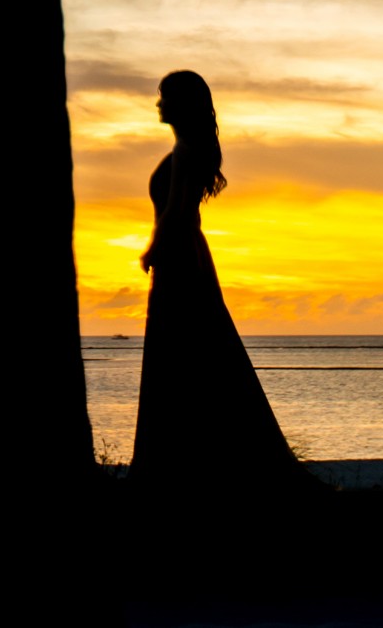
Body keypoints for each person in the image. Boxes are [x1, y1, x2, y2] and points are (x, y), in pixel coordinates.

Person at [131, 68, 299, 485]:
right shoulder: (187, 148)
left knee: (188, 351)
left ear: (181, 104)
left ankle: (180, 464)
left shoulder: (188, 151)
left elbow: (177, 210)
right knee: (196, 353)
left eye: (163, 96)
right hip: (185, 256)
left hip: (181, 258)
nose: (158, 103)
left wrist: (153, 248)